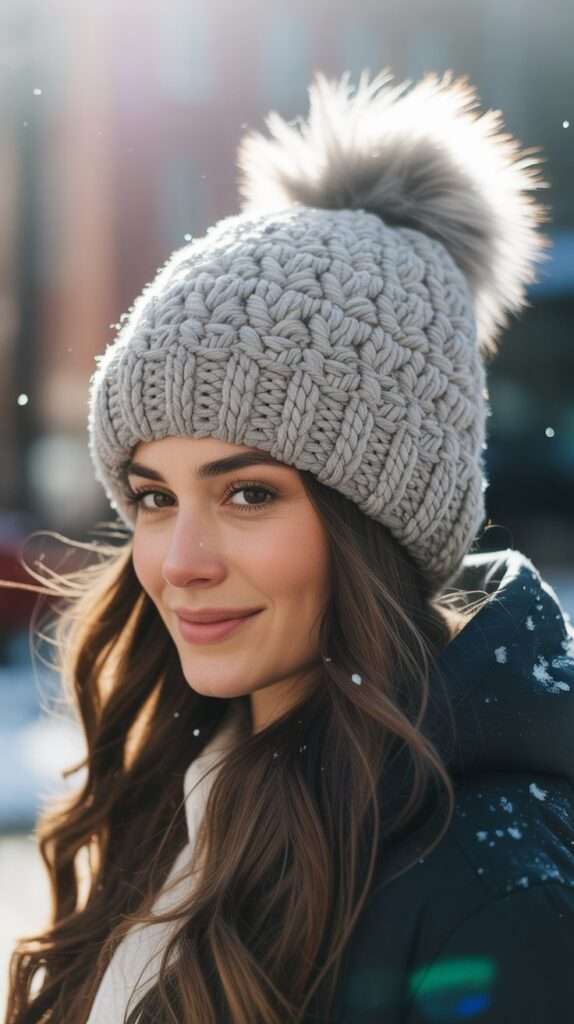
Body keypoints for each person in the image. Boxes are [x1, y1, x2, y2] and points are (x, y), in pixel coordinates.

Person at [5, 68, 574, 1024]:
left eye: (249, 493)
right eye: (153, 497)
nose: (179, 561)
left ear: (379, 520)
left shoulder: (500, 894)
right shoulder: (172, 803)